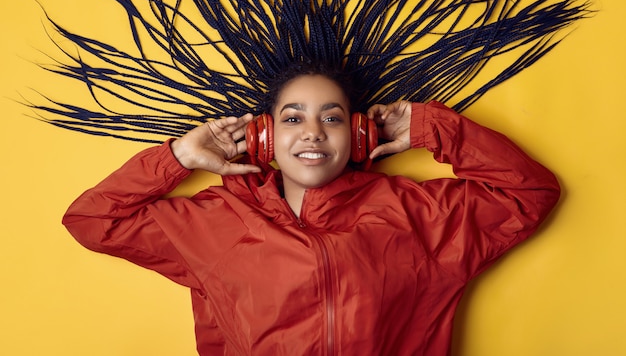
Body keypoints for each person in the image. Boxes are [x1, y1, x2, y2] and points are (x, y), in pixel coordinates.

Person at [63, 62, 560, 355]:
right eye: (293, 117)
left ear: (361, 134)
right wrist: (176, 158)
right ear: (264, 136)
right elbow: (92, 220)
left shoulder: (417, 216)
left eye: (333, 118)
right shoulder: (216, 222)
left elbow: (529, 194)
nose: (313, 132)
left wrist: (435, 129)